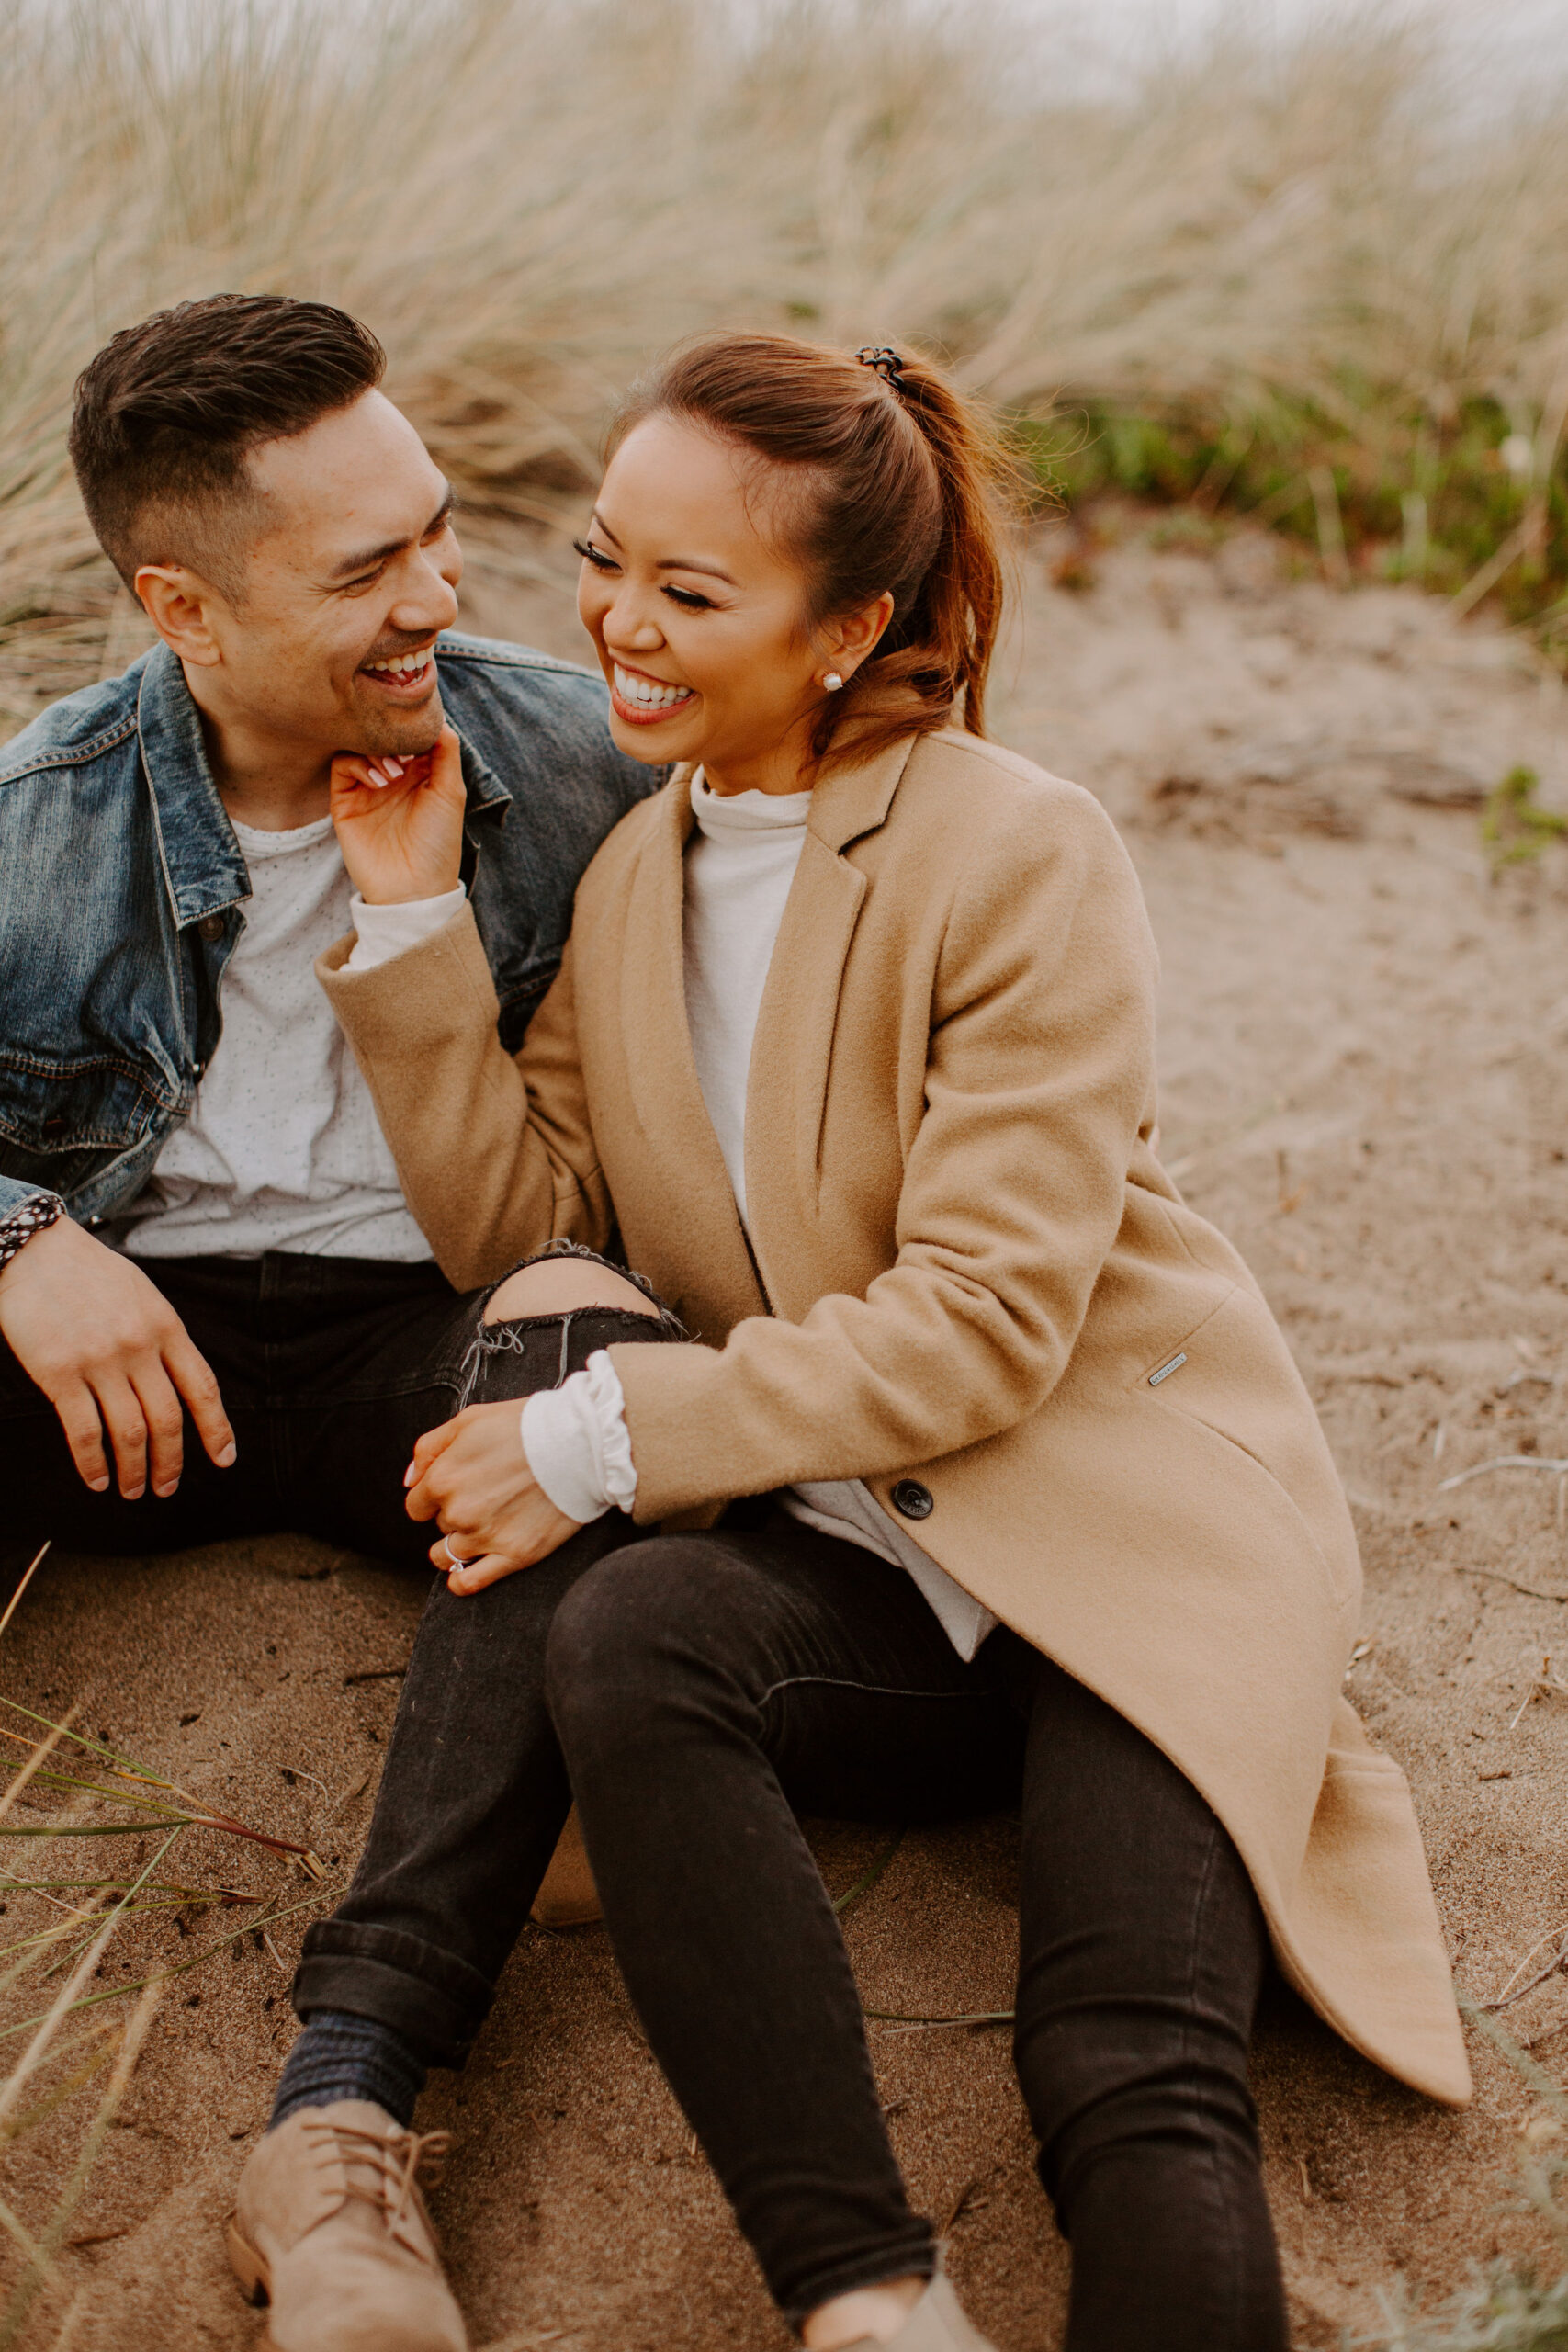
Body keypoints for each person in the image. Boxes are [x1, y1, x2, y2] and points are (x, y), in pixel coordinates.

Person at [233, 334, 1470, 2352]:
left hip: (1110, 1545)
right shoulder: (637, 879)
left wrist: (609, 1437)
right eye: (607, 561)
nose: (620, 624)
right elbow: (534, 1236)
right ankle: (868, 2298)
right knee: (625, 1637)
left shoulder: (1012, 849)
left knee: (1124, 2071)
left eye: (691, 593)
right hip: (871, 1575)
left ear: (853, 624)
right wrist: (408, 922)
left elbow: (985, 1323)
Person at [0, 295, 655, 1574]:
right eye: (364, 571)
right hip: (131, 1371)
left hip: (446, 1337)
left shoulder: (592, 761)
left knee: (616, 1397)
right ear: (184, 611)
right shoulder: (35, 825)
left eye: (437, 530)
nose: (433, 596)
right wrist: (18, 1243)